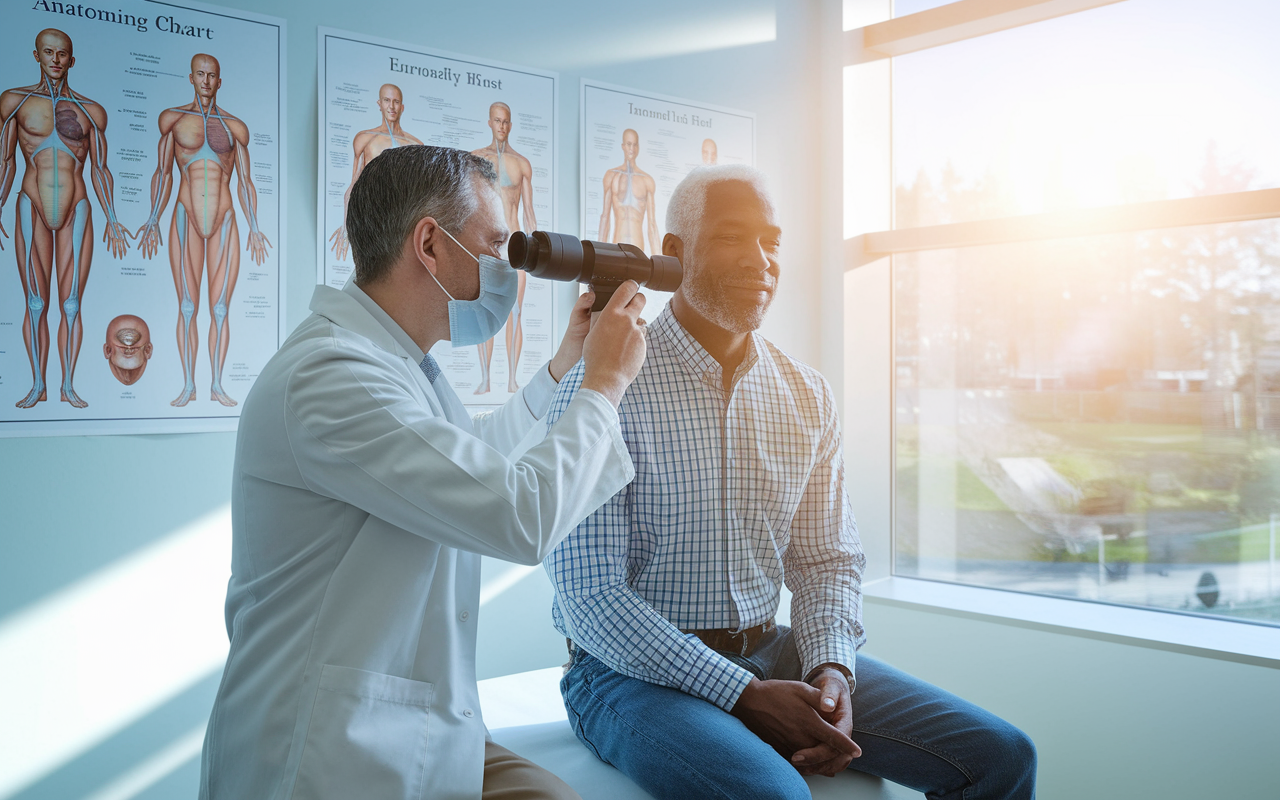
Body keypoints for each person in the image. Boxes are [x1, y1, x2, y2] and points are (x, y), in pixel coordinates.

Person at [545, 165, 1037, 800]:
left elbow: (827, 559)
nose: (760, 261)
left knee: (1001, 757)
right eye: (731, 238)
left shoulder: (806, 395)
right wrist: (742, 694)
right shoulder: (600, 388)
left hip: (769, 652)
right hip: (624, 675)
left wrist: (832, 668)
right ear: (674, 253)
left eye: (771, 242)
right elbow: (591, 597)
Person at [198, 145, 649, 800]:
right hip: (330, 745)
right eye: (495, 248)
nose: (505, 271)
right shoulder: (330, 376)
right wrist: (604, 385)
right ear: (430, 245)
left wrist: (563, 368)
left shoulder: (396, 365)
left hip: (415, 724)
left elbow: (473, 462)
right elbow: (517, 516)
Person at [0, 28, 131, 409]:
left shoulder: (92, 111)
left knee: (71, 304)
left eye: (62, 54)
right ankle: (39, 384)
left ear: (71, 60)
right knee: (36, 303)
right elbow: (6, 161)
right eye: (48, 53)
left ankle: (67, 386)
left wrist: (112, 217)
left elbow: (101, 170)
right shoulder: (16, 102)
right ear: (37, 55)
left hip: (78, 208)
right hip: (31, 203)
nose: (55, 60)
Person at [136, 53, 271, 408]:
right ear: (192, 78)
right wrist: (152, 218)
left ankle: (215, 384)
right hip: (185, 216)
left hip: (225, 217)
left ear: (219, 81)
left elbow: (245, 181)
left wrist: (255, 225)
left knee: (221, 308)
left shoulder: (234, 128)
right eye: (201, 74)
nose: (207, 81)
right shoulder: (174, 120)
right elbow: (162, 173)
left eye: (212, 76)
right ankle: (188, 385)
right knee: (186, 306)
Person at [470, 101, 536, 394]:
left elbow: (530, 213)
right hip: (487, 245)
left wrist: (540, 252)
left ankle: (511, 379)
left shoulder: (521, 164)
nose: (501, 126)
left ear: (510, 125)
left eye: (506, 121)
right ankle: (485, 379)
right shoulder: (475, 159)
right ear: (489, 122)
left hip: (516, 245)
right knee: (485, 308)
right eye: (497, 120)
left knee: (516, 311)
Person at [329, 83, 424, 262]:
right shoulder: (365, 138)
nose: (391, 106)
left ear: (402, 107)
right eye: (387, 100)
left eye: (396, 102)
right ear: (379, 103)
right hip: (372, 219)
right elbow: (353, 185)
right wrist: (346, 226)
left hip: (401, 224)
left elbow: (418, 195)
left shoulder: (416, 145)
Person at [598, 128, 658, 254]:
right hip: (617, 247)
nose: (632, 148)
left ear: (639, 147)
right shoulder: (611, 176)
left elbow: (652, 224)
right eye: (629, 144)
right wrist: (598, 254)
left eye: (635, 144)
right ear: (623, 146)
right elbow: (605, 218)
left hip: (638, 250)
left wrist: (659, 261)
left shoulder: (647, 180)